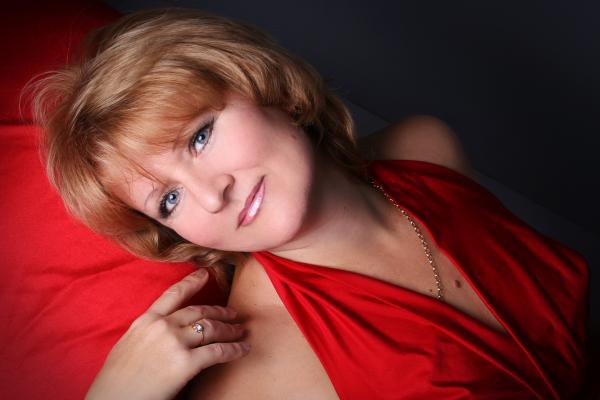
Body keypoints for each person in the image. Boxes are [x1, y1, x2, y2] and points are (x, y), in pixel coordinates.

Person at [29, 7, 591, 399]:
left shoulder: (426, 147)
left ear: (263, 84)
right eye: (169, 199)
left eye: (199, 136)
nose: (212, 193)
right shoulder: (257, 366)